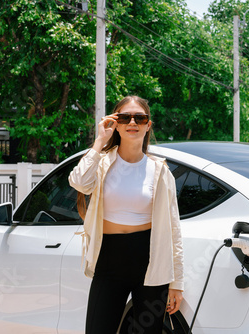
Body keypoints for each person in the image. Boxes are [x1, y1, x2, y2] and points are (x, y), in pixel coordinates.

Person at [68, 95, 184, 333]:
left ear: (148, 125)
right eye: (125, 117)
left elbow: (174, 230)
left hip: (149, 260)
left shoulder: (160, 171)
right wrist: (100, 140)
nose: (133, 122)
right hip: (109, 258)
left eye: (140, 118)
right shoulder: (101, 164)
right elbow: (79, 182)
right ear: (115, 123)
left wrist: (177, 283)